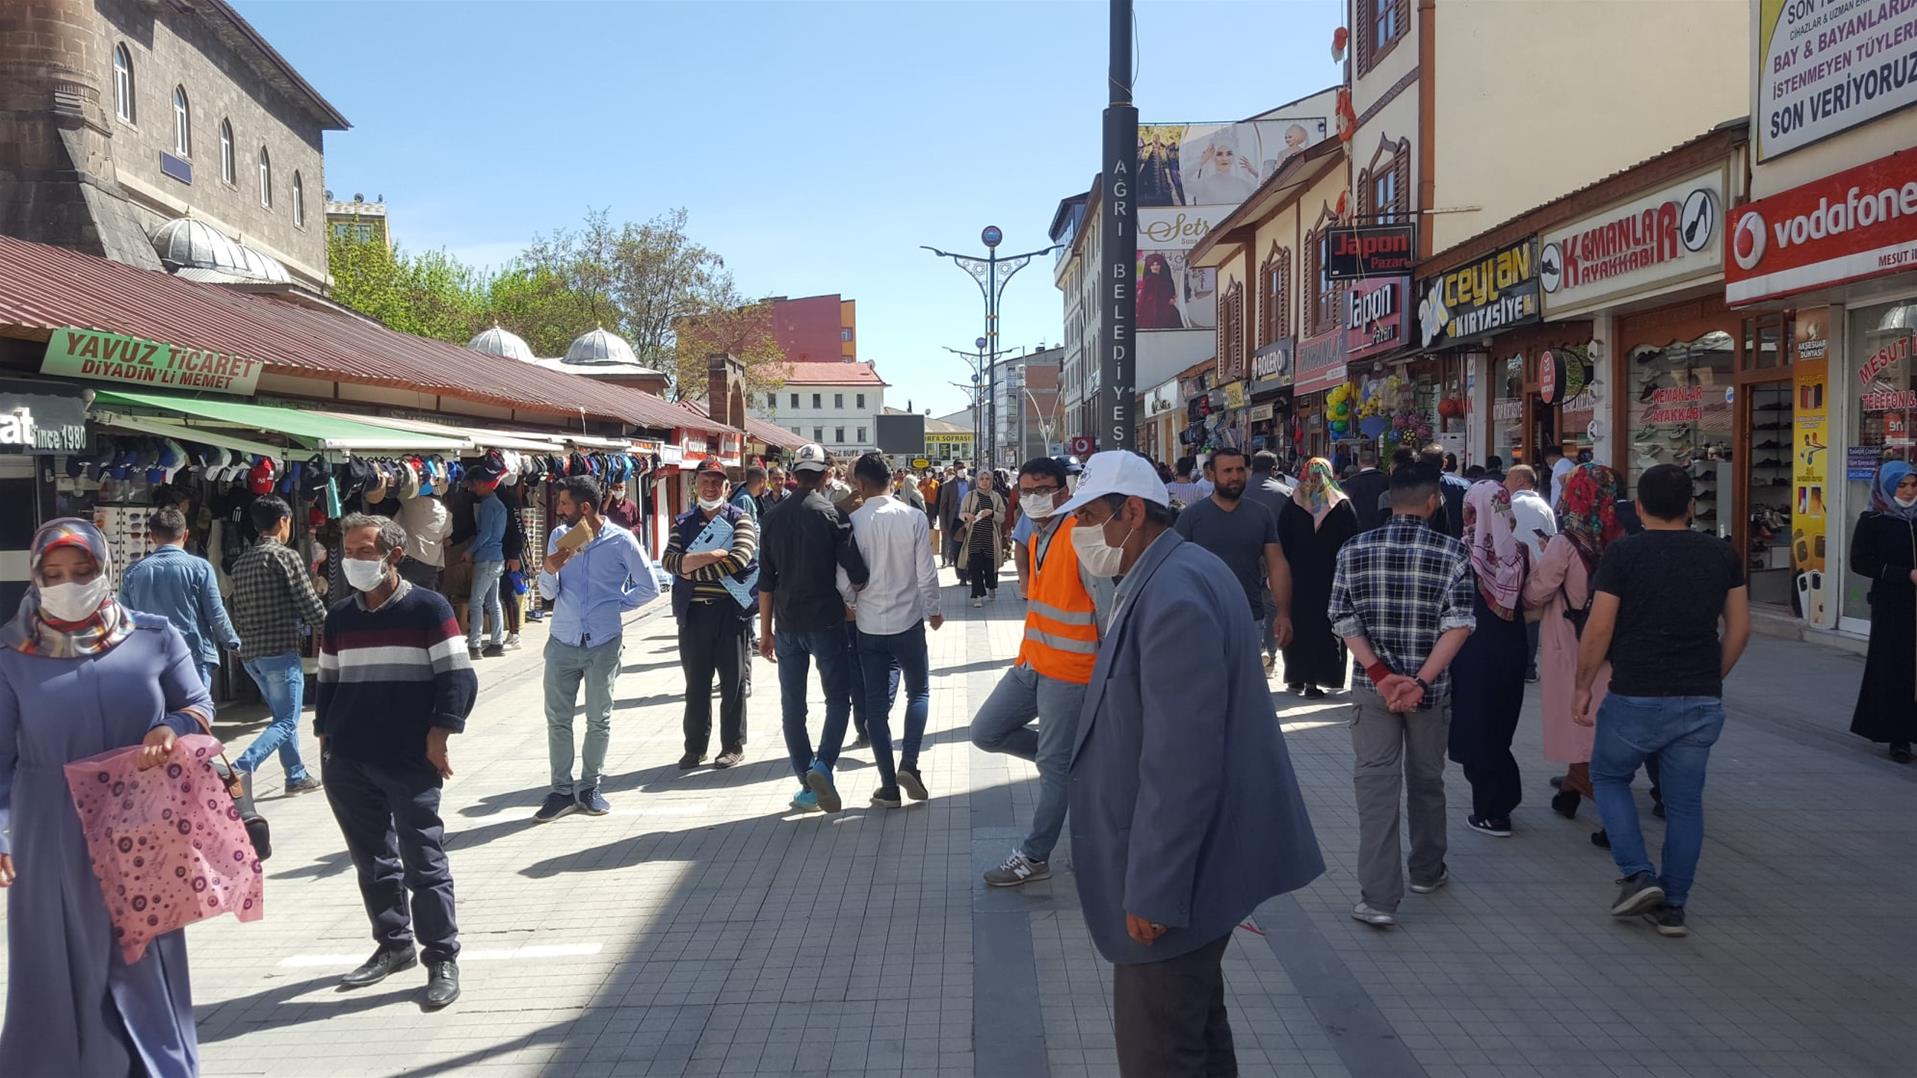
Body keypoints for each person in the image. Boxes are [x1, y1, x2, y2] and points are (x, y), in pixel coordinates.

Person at [1057, 452, 1323, 1075]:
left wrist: (1155, 889)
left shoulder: (1172, 591)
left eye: (1089, 515)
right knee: (1197, 1032)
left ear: (1130, 512)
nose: (1080, 532)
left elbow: (1182, 761)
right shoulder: (1172, 570)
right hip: (1198, 864)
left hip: (1178, 880)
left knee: (1160, 1049)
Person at [0, 519, 213, 1076]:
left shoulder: (154, 634)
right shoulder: (10, 654)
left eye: (83, 570)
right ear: (36, 578)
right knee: (55, 953)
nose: (68, 582)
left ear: (106, 569)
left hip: (141, 817)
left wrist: (170, 727)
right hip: (48, 825)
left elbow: (198, 704)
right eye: (54, 574)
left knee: (146, 949)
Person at [1574, 463, 1750, 938]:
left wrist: (1582, 684)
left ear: (1641, 508)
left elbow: (1601, 626)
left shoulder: (1624, 553)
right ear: (1692, 506)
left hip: (1636, 692)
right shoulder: (1721, 554)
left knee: (1608, 776)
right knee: (1685, 803)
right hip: (1699, 697)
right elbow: (1740, 628)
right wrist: (1712, 677)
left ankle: (1636, 874)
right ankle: (1673, 904)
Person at [317, 513, 475, 1010]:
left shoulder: (428, 608)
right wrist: (326, 740)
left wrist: (440, 735)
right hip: (349, 759)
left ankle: (441, 956)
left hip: (408, 757)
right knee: (373, 862)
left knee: (423, 861)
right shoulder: (340, 616)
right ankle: (393, 944)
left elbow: (458, 679)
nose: (355, 561)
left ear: (394, 556)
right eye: (349, 551)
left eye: (365, 552)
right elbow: (327, 684)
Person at [1329, 463, 1476, 928]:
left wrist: (1380, 672)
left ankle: (1378, 899)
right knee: (1427, 780)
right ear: (1434, 502)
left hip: (1374, 690)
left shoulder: (1354, 550)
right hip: (1429, 694)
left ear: (1390, 500)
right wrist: (1420, 681)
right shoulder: (1453, 553)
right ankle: (1427, 871)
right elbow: (1460, 624)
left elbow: (1342, 618)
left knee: (1375, 787)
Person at [972, 456, 1117, 886]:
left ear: (1064, 489)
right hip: (1032, 664)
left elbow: (1109, 613)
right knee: (986, 732)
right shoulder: (1039, 537)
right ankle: (1077, 762)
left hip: (1071, 673)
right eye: (1027, 489)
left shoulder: (1082, 536)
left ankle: (1035, 856)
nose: (1034, 497)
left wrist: (1110, 677)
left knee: (1055, 768)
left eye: (1043, 489)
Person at [533, 475, 660, 822]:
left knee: (598, 719)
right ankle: (560, 791)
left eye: (564, 504)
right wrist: (548, 569)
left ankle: (590, 788)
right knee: (557, 719)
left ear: (585, 508)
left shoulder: (622, 541)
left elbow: (650, 587)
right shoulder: (560, 539)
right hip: (563, 640)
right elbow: (547, 594)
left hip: (603, 643)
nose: (558, 510)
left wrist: (613, 605)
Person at [758, 443, 869, 814]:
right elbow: (857, 573)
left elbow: (765, 580)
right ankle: (823, 767)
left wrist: (765, 631)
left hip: (786, 623)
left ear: (792, 475)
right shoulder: (833, 516)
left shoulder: (772, 517)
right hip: (826, 621)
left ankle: (807, 781)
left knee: (793, 706)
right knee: (838, 698)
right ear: (826, 475)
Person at [1525, 463, 1621, 828]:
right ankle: (1571, 786)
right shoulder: (1620, 536)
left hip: (1569, 639)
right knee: (1600, 712)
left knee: (1578, 716)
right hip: (1610, 641)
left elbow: (1540, 590)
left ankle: (1593, 790)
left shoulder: (1568, 541)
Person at [843, 453, 942, 807]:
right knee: (918, 693)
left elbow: (844, 577)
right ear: (892, 480)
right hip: (909, 621)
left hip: (869, 625)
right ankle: (910, 764)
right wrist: (933, 609)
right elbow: (926, 572)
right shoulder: (914, 517)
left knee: (874, 707)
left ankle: (888, 785)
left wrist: (852, 603)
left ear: (862, 484)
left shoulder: (852, 521)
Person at [1446, 481, 1531, 838]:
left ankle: (1492, 810)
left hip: (1470, 651)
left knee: (1474, 728)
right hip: (1512, 649)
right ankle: (1503, 799)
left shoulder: (1459, 553)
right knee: (1499, 725)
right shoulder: (1520, 552)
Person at [663, 458, 758, 771]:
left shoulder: (740, 518)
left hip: (731, 615)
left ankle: (732, 746)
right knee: (696, 686)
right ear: (696, 484)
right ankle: (695, 748)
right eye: (706, 480)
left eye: (717, 482)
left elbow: (740, 559)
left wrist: (693, 567)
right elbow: (670, 562)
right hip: (694, 616)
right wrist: (712, 555)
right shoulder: (682, 522)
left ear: (727, 487)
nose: (711, 486)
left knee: (733, 684)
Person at [230, 494, 327, 794]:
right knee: (286, 720)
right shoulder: (285, 556)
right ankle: (240, 768)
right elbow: (308, 602)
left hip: (251, 655)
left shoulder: (241, 562)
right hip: (279, 651)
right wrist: (334, 631)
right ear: (284, 521)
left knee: (281, 716)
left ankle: (296, 774)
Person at [1172, 447, 1295, 654]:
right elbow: (1175, 570)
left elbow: (1277, 565)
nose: (1235, 476)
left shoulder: (1260, 514)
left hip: (1249, 616)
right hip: (1202, 618)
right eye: (1227, 471)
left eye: (1239, 470)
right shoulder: (1191, 517)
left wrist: (1283, 613)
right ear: (1211, 475)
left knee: (1246, 684)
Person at [120, 505, 241, 691]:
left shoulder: (133, 572)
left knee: (160, 716)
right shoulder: (200, 568)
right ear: (185, 535)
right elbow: (215, 613)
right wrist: (232, 642)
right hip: (193, 654)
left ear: (151, 537)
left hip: (150, 658)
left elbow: (125, 620)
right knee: (194, 714)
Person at [1850, 460, 1917, 762]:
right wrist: (1904, 575)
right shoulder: (1873, 518)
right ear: (1888, 487)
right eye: (1902, 486)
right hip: (1892, 605)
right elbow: (1860, 562)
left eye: (1914, 485)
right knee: (1895, 667)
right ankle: (1897, 736)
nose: (1908, 491)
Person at [1277, 458, 1358, 697]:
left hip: (1297, 577)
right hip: (1330, 577)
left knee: (1299, 624)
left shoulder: (1292, 503)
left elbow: (1281, 540)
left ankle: (1296, 678)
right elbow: (1352, 541)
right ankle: (1317, 679)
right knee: (1324, 627)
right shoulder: (1341, 505)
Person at [1506, 464, 1556, 682]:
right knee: (1532, 619)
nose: (1505, 482)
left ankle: (1512, 665)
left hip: (1509, 568)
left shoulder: (1508, 504)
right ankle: (1528, 667)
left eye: (1509, 478)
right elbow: (1553, 538)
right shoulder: (1544, 506)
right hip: (1537, 571)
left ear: (1521, 481)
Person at [463, 470, 508, 661]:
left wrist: (469, 551)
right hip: (497, 557)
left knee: (476, 601)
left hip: (486, 559)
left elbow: (485, 534)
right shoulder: (499, 504)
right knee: (493, 602)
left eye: (473, 484)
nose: (471, 488)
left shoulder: (488, 505)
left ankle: (474, 645)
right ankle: (497, 642)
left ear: (482, 483)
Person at [960, 470, 1008, 607]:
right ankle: (978, 596)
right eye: (982, 479)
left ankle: (991, 586)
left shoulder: (996, 496)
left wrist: (992, 513)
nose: (985, 481)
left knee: (990, 566)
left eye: (987, 479)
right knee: (975, 567)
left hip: (990, 537)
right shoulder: (970, 496)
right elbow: (961, 513)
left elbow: (1002, 516)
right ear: (977, 481)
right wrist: (966, 516)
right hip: (974, 537)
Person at [397, 491, 452, 592]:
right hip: (430, 566)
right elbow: (447, 535)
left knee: (403, 597)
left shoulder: (411, 502)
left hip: (409, 560)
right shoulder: (446, 514)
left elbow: (400, 490)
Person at [1343, 449, 1390, 531]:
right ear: (1376, 462)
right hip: (1384, 529)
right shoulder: (1387, 480)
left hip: (1360, 529)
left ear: (1359, 463)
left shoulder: (1351, 483)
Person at [937, 466, 970, 577]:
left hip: (971, 520)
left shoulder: (972, 482)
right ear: (956, 471)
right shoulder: (948, 485)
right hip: (955, 521)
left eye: (964, 468)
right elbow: (943, 506)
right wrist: (943, 524)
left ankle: (969, 573)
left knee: (970, 548)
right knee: (956, 548)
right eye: (960, 469)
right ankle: (961, 575)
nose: (963, 471)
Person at [1545, 443, 1573, 509]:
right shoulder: (1565, 463)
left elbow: (1566, 486)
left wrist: (1557, 507)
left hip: (1561, 510)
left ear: (1550, 457)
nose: (1548, 464)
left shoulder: (1562, 464)